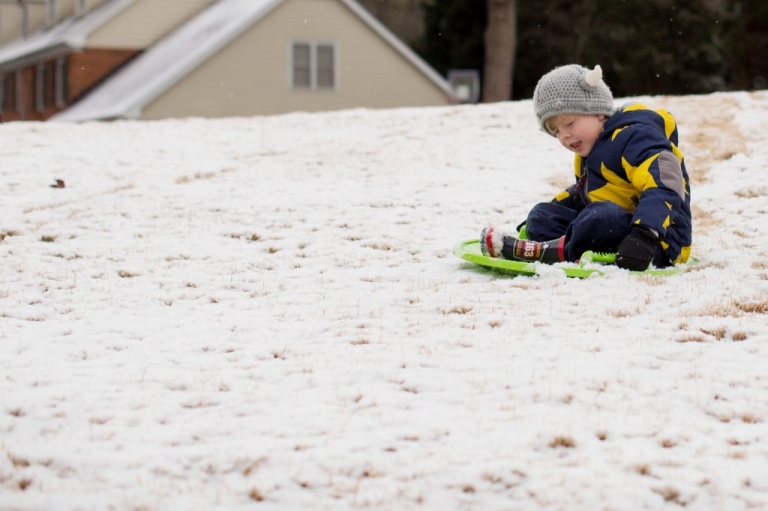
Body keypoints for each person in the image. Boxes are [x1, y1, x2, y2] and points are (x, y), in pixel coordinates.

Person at [480, 64, 692, 271]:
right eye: (556, 132)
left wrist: (644, 235)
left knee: (603, 216)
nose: (565, 135)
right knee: (541, 216)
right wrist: (546, 214)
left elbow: (666, 184)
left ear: (598, 112)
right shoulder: (588, 153)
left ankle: (549, 252)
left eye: (569, 123)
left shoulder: (635, 137)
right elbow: (584, 195)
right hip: (611, 230)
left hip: (655, 241)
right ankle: (553, 246)